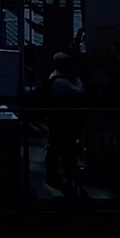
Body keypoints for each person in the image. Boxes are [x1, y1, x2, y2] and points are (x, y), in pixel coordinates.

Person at [40, 51, 85, 190]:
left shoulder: (54, 77)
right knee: (64, 149)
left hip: (56, 120)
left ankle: (53, 176)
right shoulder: (61, 82)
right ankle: (64, 176)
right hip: (62, 121)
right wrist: (78, 78)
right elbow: (80, 92)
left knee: (54, 148)